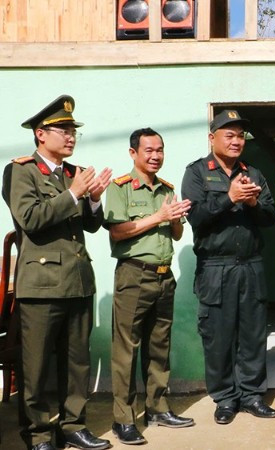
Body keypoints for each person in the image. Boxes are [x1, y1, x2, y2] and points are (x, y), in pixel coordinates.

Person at [2, 95, 112, 450]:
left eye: (72, 130)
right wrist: (74, 194)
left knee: (77, 362)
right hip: (42, 285)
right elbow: (30, 219)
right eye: (62, 129)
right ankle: (38, 435)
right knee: (35, 367)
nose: (70, 136)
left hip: (78, 281)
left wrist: (92, 198)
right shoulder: (20, 171)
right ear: (40, 134)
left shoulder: (72, 174)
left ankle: (73, 426)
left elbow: (90, 225)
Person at [181, 110, 275, 425]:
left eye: (241, 136)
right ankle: (225, 398)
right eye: (229, 135)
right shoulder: (197, 172)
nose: (237, 141)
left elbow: (270, 218)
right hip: (216, 267)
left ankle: (251, 395)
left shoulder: (254, 173)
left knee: (253, 334)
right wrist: (229, 198)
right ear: (212, 138)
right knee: (218, 337)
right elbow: (195, 217)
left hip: (250, 265)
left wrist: (252, 203)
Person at [103, 128, 194, 445]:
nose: (156, 156)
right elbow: (117, 232)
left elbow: (177, 235)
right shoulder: (120, 188)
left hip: (164, 276)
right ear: (133, 153)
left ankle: (157, 408)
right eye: (149, 150)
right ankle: (123, 420)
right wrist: (159, 216)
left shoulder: (167, 188)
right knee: (126, 352)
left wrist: (175, 218)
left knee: (159, 347)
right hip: (134, 275)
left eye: (160, 150)